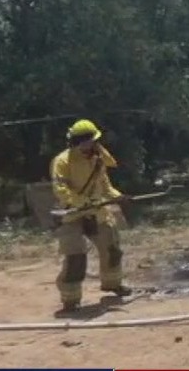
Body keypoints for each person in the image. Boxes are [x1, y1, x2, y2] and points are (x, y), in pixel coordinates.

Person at [50, 119, 132, 313]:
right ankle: (70, 300)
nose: (92, 144)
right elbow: (61, 189)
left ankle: (112, 284)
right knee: (76, 258)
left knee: (112, 248)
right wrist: (82, 203)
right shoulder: (62, 161)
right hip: (72, 215)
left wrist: (119, 197)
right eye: (87, 141)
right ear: (76, 142)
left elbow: (105, 186)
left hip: (97, 212)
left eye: (93, 140)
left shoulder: (98, 159)